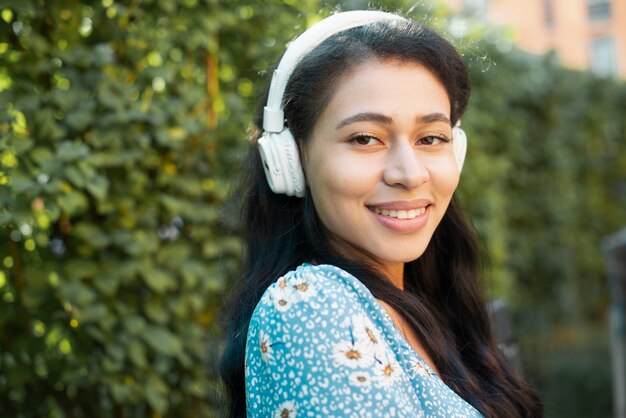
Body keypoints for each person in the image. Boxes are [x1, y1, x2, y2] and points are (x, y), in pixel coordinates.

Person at [219, 10, 542, 418]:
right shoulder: (311, 306)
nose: (409, 174)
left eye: (431, 138)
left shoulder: (430, 310)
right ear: (291, 161)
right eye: (365, 138)